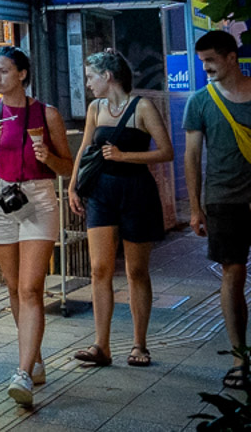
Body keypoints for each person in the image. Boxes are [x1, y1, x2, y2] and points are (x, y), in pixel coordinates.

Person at [0, 46, 73, 406]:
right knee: (14, 287)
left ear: (22, 74)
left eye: (2, 71)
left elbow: (67, 167)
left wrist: (50, 157)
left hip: (38, 200)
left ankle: (24, 372)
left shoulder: (46, 114)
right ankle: (36, 358)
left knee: (31, 288)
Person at [68, 49, 174, 368]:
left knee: (136, 270)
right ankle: (101, 345)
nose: (88, 84)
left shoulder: (142, 106)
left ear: (107, 76)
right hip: (101, 191)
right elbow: (86, 149)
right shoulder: (95, 108)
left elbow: (166, 151)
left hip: (136, 190)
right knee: (99, 268)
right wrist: (73, 186)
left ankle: (139, 344)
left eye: (90, 77)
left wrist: (125, 157)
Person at [184, 29, 251, 391]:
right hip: (223, 200)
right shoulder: (201, 101)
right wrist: (196, 208)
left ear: (230, 57)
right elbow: (192, 156)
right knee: (232, 274)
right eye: (202, 61)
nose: (206, 67)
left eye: (211, 60)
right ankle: (240, 356)